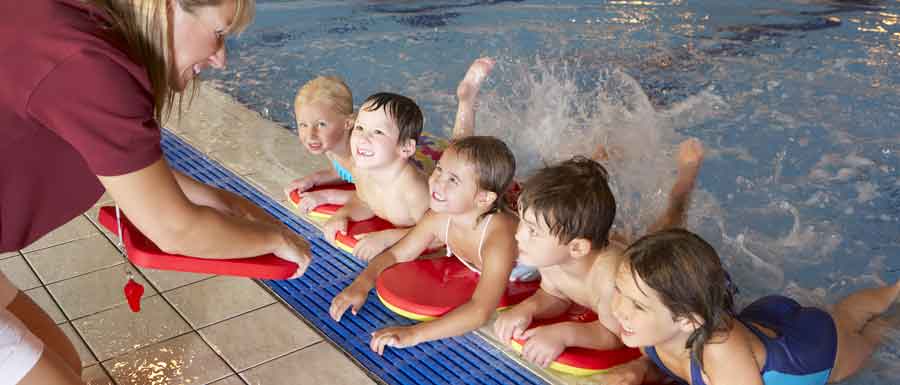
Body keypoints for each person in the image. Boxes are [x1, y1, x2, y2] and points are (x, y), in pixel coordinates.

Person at [0, 0, 312, 383]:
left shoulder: (79, 24)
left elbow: (113, 160)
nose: (221, 60)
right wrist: (275, 239)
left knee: (64, 362)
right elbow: (175, 229)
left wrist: (219, 200)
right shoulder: (89, 65)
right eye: (218, 34)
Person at [493, 139, 704, 368]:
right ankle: (598, 160)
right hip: (595, 244)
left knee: (666, 227)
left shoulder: (610, 280)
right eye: (523, 222)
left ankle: (684, 182)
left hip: (636, 258)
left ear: (575, 248)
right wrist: (527, 309)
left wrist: (564, 334)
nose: (518, 234)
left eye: (532, 231)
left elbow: (617, 335)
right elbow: (555, 295)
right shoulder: (552, 256)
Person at [606, 228, 900, 385]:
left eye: (637, 306)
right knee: (845, 315)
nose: (618, 309)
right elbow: (674, 361)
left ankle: (894, 294)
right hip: (767, 321)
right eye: (619, 291)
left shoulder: (720, 352)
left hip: (812, 354)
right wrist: (638, 368)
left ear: (687, 321)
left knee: (867, 333)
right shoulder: (647, 331)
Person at [329, 136, 538, 354]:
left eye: (453, 180)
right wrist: (360, 285)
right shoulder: (439, 217)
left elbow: (480, 311)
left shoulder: (498, 239)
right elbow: (396, 255)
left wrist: (415, 334)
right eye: (439, 169)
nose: (437, 181)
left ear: (483, 198)